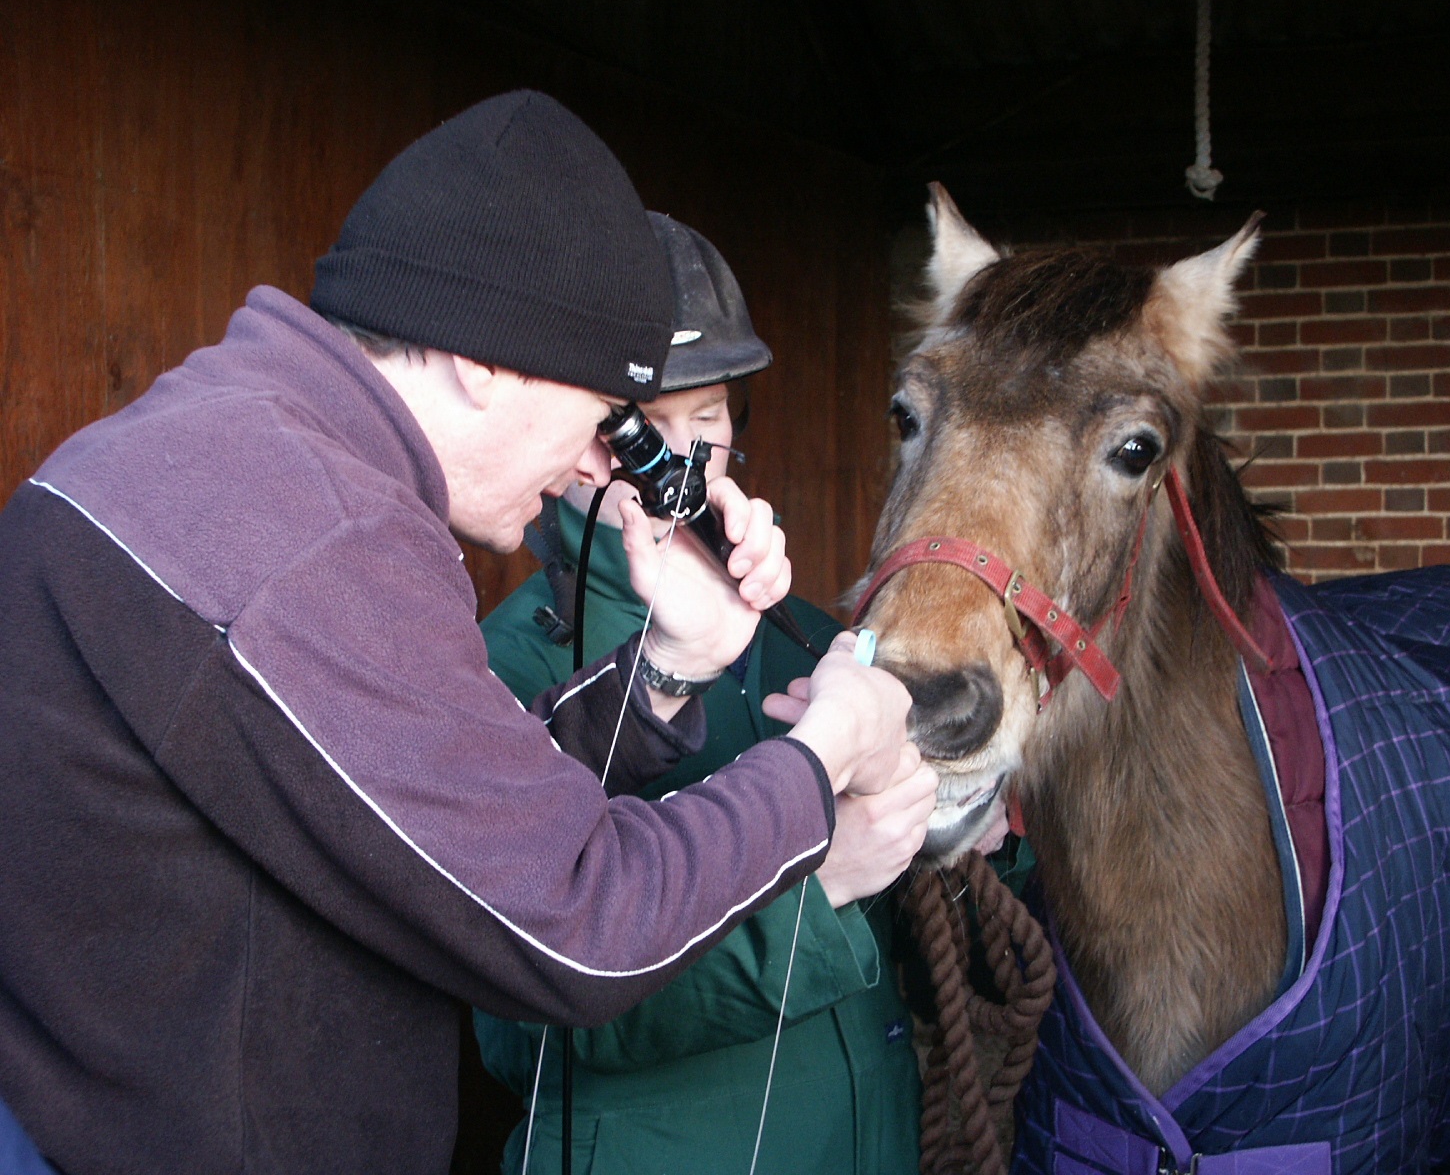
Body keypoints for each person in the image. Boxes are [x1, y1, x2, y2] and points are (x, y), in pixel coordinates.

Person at [0, 91, 934, 1175]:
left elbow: (429, 804)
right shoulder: (311, 538)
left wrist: (670, 667)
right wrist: (821, 765)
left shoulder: (234, 446)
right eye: (601, 416)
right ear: (484, 360)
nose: (601, 468)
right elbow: (574, 920)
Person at [474, 214, 923, 1175]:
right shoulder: (498, 672)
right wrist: (824, 886)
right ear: (579, 441)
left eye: (707, 418)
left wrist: (966, 818)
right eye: (642, 426)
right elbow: (522, 1024)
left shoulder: (804, 628)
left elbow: (931, 922)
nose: (677, 463)